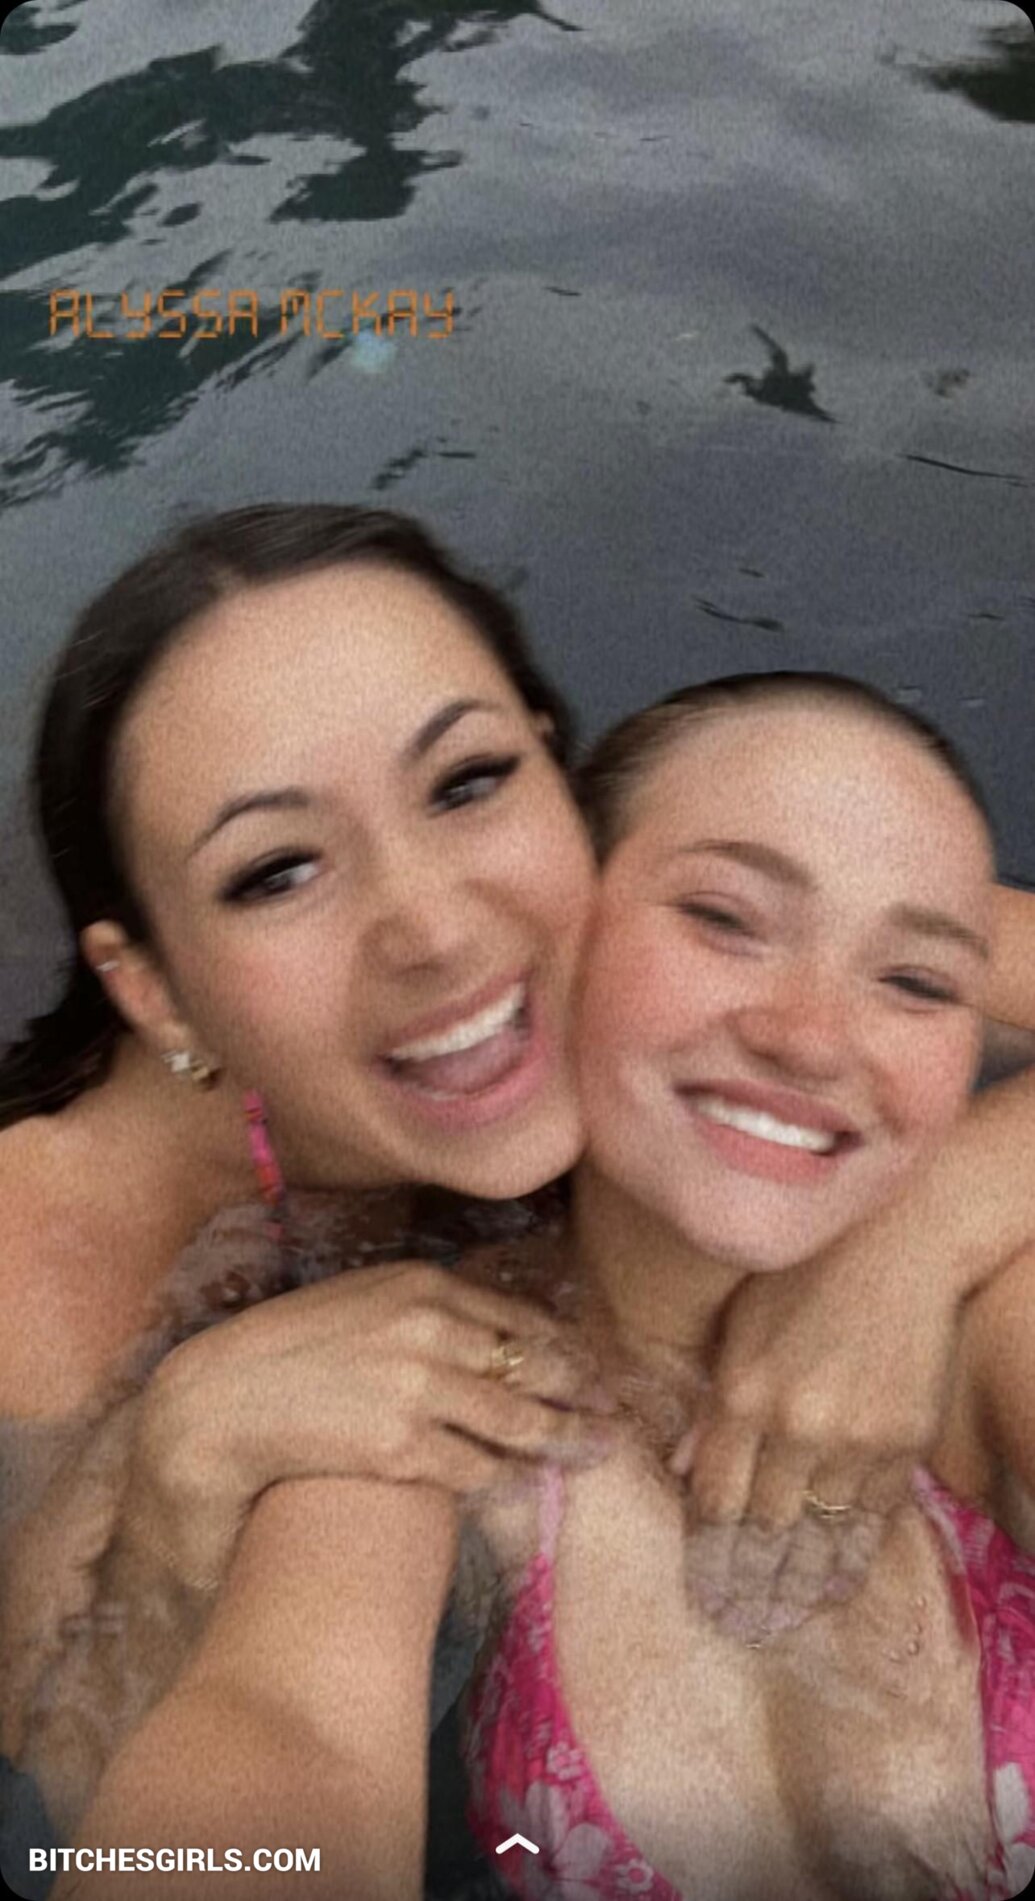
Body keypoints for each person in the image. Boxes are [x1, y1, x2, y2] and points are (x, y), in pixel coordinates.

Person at [1, 504, 1033, 1891]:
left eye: (470, 780)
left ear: (560, 779)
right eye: (275, 871)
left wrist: (914, 1243)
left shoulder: (672, 890)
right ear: (155, 990)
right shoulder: (50, 1272)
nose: (439, 928)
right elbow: (93, 1770)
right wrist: (180, 1475)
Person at [459, 674, 1035, 1901]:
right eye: (724, 917)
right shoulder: (421, 1396)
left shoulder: (1001, 1334)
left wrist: (921, 1238)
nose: (811, 1035)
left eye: (919, 981)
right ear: (553, 938)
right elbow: (276, 1745)